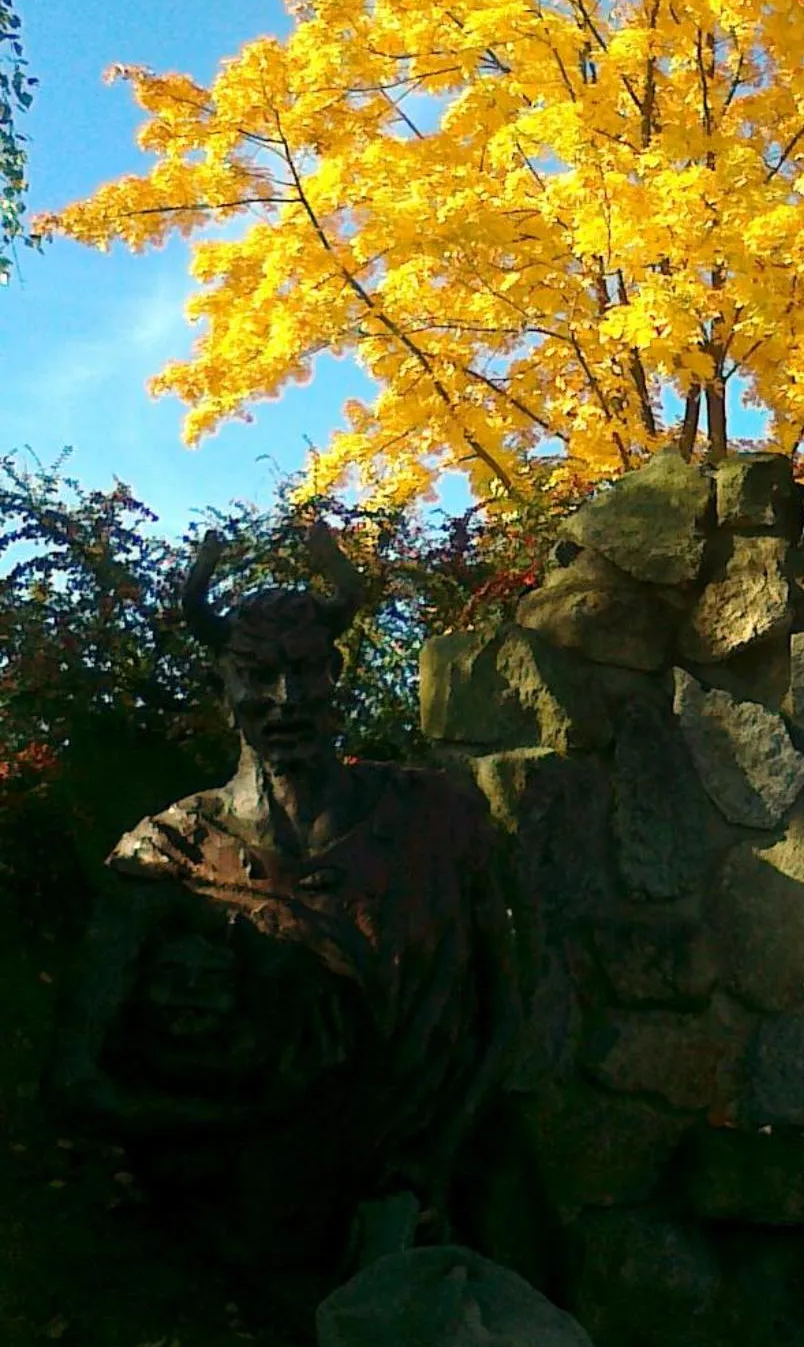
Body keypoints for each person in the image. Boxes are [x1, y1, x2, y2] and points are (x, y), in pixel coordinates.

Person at [46, 523, 518, 1286]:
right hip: (241, 1235)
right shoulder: (166, 856)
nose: (286, 699)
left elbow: (504, 1010)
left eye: (305, 671)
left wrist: (435, 1157)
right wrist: (264, 1124)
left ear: (336, 676)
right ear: (220, 688)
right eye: (258, 675)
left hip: (439, 1211)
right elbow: (76, 1081)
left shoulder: (439, 818)